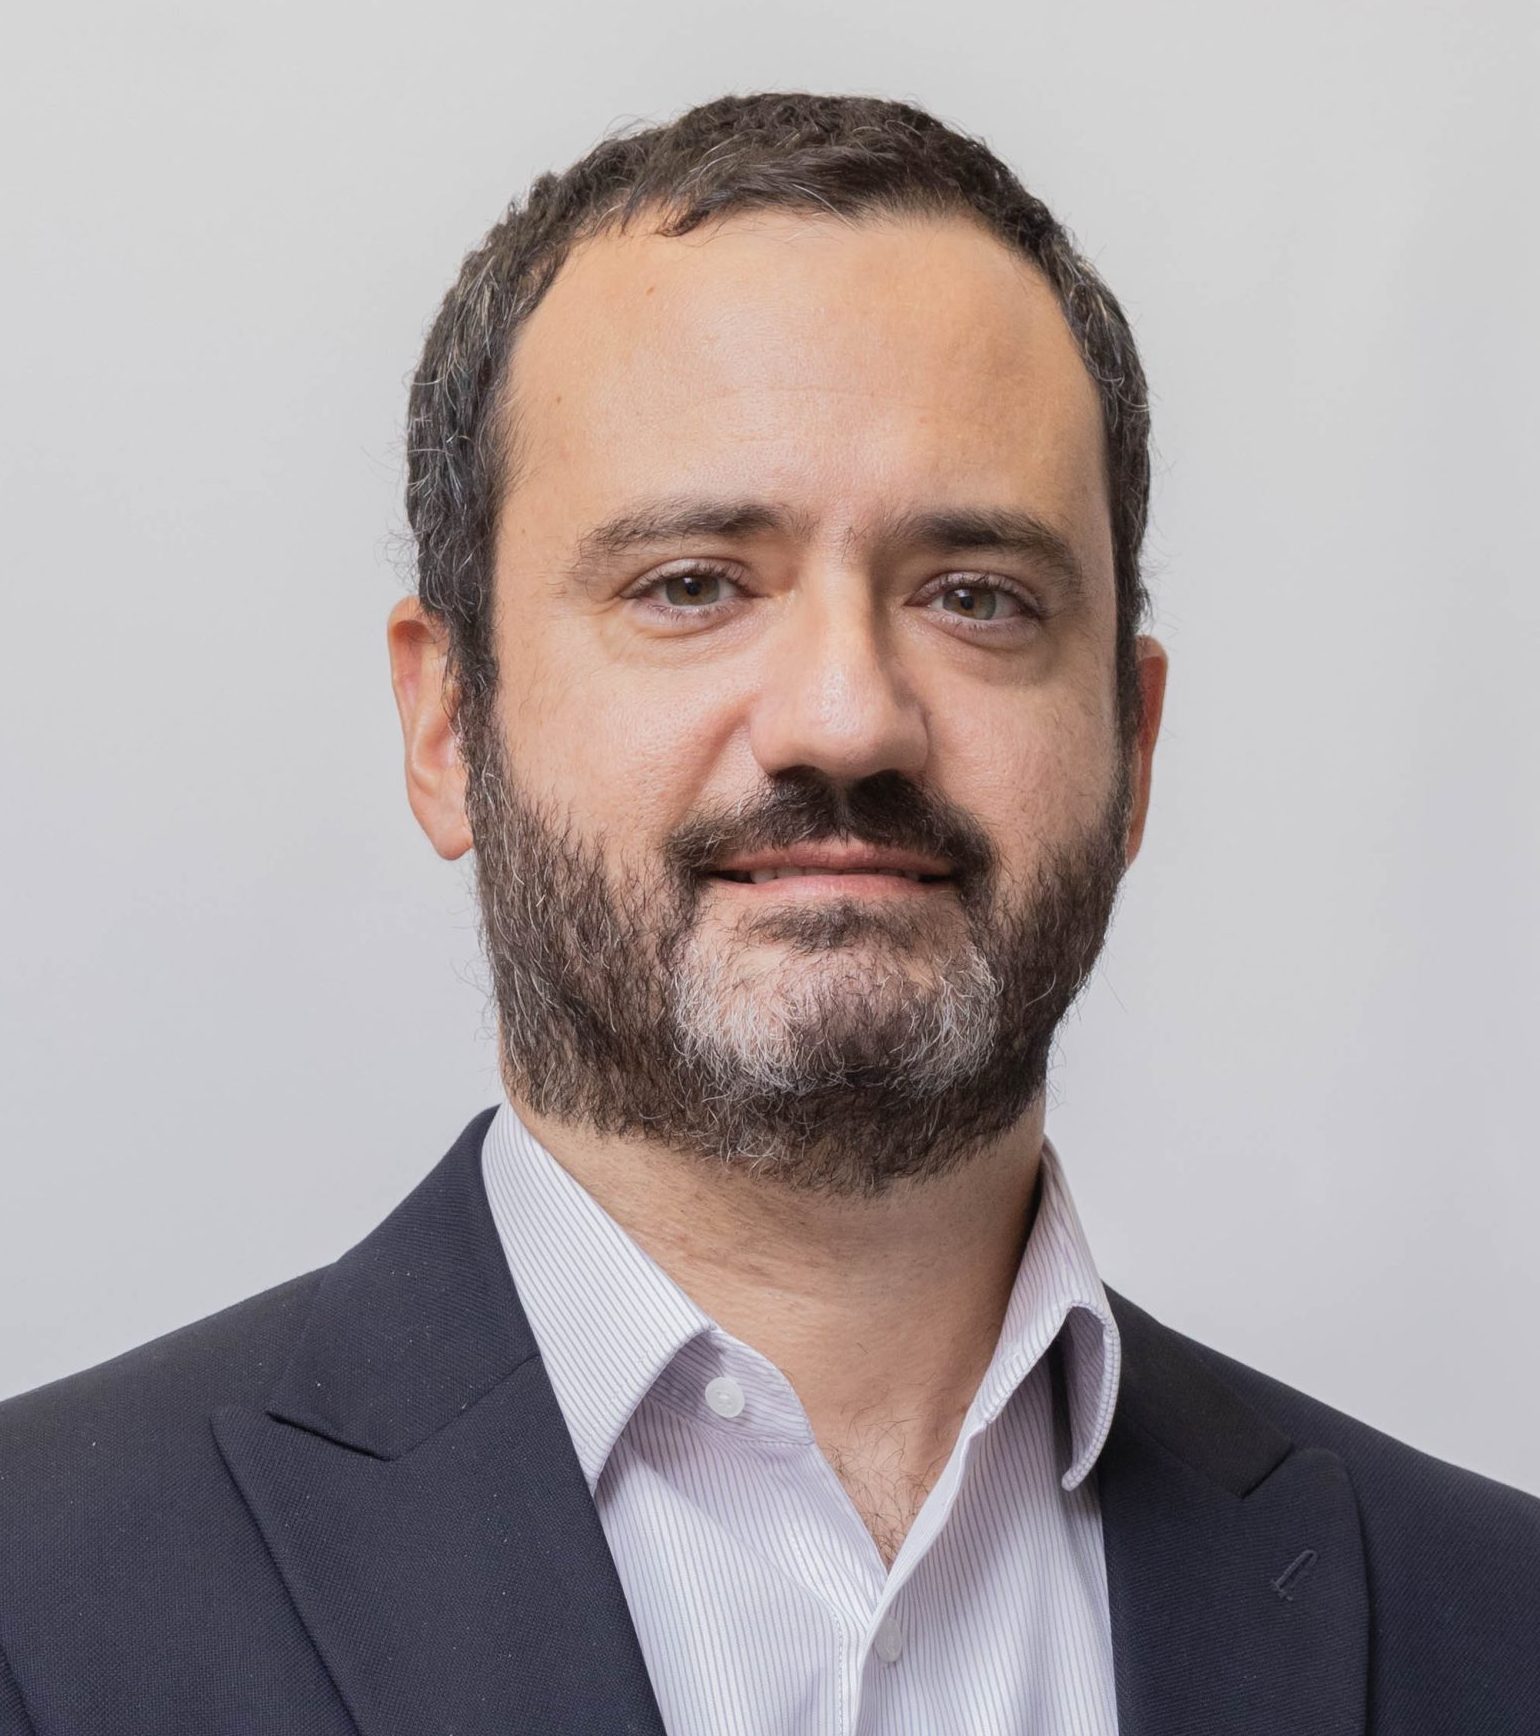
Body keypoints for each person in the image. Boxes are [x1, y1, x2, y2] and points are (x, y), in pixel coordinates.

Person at [0, 91, 1534, 1736]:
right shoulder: (40, 1596)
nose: (847, 719)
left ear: (1133, 743)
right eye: (693, 585)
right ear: (449, 725)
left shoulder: (1499, 1628)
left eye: (976, 597)